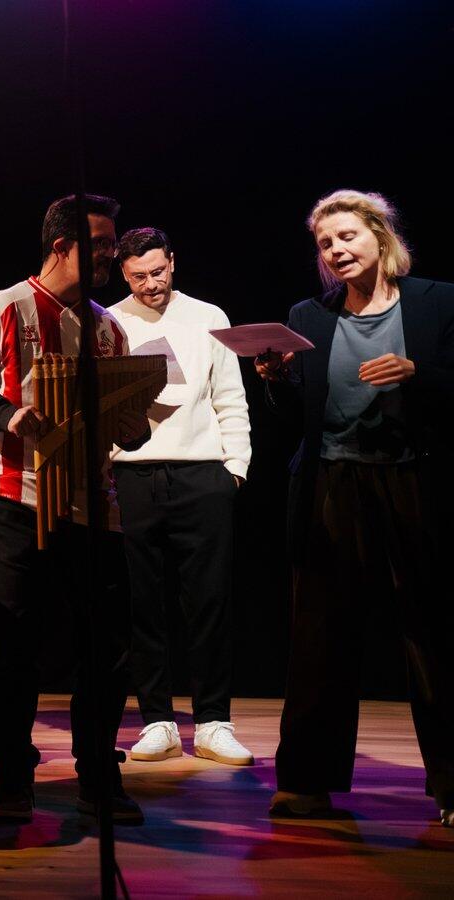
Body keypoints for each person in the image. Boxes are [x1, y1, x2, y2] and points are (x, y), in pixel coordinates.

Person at [0, 194, 149, 823]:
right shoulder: (3, 306)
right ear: (62, 246)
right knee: (14, 643)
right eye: (100, 243)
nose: (111, 254)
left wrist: (133, 425)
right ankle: (13, 779)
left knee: (106, 648)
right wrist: (7, 414)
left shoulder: (109, 327)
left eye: (111, 243)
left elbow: (123, 414)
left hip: (95, 504)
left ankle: (97, 773)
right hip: (17, 495)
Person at [256, 190, 454, 825]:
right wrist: (277, 381)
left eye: (347, 236)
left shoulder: (438, 301)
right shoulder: (309, 317)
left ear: (380, 235)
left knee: (432, 633)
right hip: (332, 482)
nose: (337, 250)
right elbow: (300, 416)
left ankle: (453, 784)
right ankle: (307, 782)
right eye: (326, 244)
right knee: (320, 634)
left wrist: (417, 373)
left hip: (413, 478)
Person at [107, 228, 253, 767]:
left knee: (209, 601)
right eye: (138, 277)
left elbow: (230, 396)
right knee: (141, 604)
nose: (150, 284)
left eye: (157, 272)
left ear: (173, 262)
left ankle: (213, 722)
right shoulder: (108, 321)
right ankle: (157, 722)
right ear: (123, 274)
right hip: (131, 476)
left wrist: (234, 468)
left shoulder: (209, 316)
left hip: (202, 474)